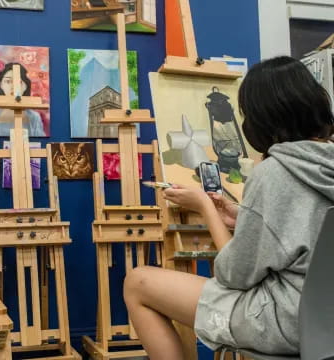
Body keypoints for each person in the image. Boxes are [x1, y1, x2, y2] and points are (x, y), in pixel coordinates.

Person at [123, 56, 334, 359]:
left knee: (138, 283)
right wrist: (244, 217)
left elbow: (234, 275)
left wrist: (205, 208)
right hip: (326, 322)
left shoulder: (275, 172)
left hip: (287, 323)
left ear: (261, 119)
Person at [0, 62, 46, 137]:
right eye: (8, 81)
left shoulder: (34, 117)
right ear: (1, 84)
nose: (13, 86)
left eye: (19, 82)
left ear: (26, 86)